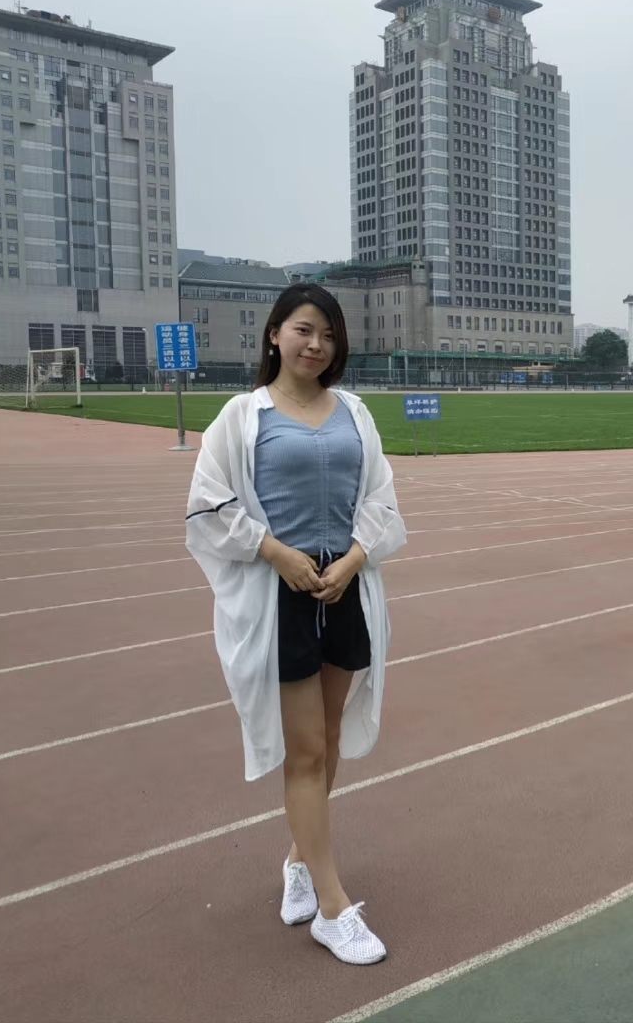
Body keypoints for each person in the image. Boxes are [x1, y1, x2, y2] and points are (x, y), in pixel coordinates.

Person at [185, 283, 406, 966]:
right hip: (282, 596)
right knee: (305, 751)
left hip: (344, 588)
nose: (317, 344)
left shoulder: (355, 413)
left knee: (329, 737)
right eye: (305, 330)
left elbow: (381, 499)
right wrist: (276, 553)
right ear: (274, 334)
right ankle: (332, 909)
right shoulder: (242, 416)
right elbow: (209, 504)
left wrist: (356, 558)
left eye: (329, 335)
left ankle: (299, 860)